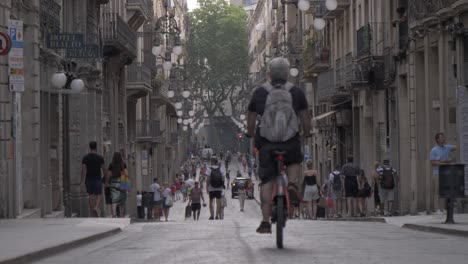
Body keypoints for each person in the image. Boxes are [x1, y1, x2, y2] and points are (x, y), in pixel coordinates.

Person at [246, 57, 311, 233]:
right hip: (289, 142)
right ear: (287, 73)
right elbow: (305, 118)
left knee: (267, 180)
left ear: (269, 74)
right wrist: (307, 132)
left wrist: (250, 132)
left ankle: (265, 221)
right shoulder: (296, 92)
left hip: (266, 144)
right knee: (295, 160)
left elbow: (251, 116)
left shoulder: (260, 92)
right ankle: (292, 184)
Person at [430, 132, 457, 213]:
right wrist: (444, 162)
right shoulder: (434, 150)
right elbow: (432, 163)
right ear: (437, 139)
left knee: (444, 191)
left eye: (443, 137)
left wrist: (456, 138)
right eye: (441, 137)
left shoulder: (447, 147)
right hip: (437, 173)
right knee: (437, 191)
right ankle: (437, 209)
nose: (443, 138)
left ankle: (443, 208)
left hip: (446, 173)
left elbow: (456, 147)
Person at [80, 141, 105, 217]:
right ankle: (96, 207)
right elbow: (103, 169)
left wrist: (82, 181)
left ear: (89, 147)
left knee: (90, 195)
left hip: (89, 179)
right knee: (99, 194)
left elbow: (83, 170)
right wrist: (104, 177)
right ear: (96, 147)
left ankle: (92, 212)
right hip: (97, 178)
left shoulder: (85, 158)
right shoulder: (100, 158)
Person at [106, 152, 127, 217]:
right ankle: (121, 214)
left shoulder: (111, 164)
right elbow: (125, 174)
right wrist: (127, 185)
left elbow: (108, 174)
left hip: (113, 182)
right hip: (121, 182)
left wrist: (107, 182)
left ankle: (114, 214)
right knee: (122, 199)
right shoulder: (123, 164)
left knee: (114, 199)